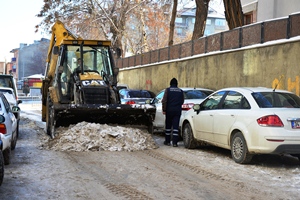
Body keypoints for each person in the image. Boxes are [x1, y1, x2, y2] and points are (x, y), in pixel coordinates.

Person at [162, 78, 184, 147]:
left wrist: (164, 110)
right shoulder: (180, 91)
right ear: (177, 84)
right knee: (175, 127)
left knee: (168, 126)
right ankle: (175, 142)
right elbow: (182, 101)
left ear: (170, 83)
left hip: (169, 110)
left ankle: (167, 141)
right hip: (177, 111)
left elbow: (164, 101)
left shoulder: (168, 90)